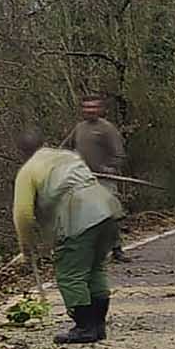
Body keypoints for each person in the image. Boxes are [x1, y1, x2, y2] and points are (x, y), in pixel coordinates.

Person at [13, 126, 125, 345]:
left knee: (71, 273)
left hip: (78, 214)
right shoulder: (67, 156)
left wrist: (27, 249)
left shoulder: (28, 171)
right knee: (95, 268)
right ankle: (97, 325)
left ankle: (84, 326)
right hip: (107, 208)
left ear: (22, 153)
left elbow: (23, 215)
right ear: (43, 143)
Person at [62, 95, 129, 262]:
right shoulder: (79, 128)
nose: (89, 111)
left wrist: (110, 168)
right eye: (86, 108)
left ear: (100, 110)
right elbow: (65, 148)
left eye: (93, 108)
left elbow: (119, 155)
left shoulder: (107, 129)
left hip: (104, 179)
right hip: (82, 179)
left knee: (108, 213)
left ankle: (117, 248)